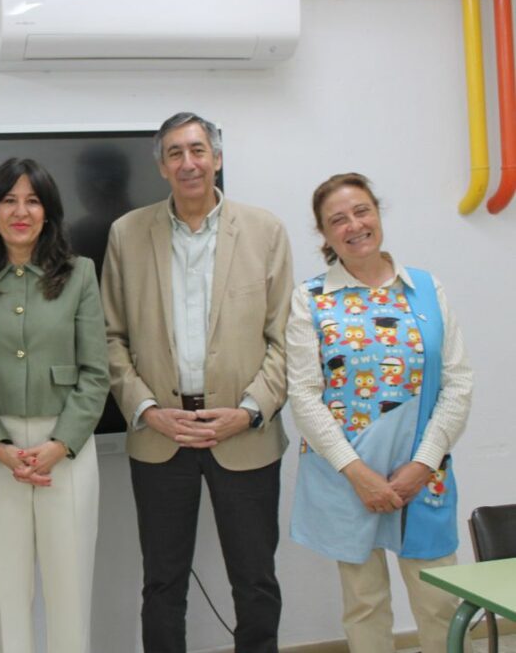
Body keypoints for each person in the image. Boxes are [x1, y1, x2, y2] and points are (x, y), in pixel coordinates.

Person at [101, 112, 293, 653]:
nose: (188, 163)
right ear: (161, 166)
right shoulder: (126, 233)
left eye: (198, 150)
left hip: (245, 434)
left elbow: (286, 341)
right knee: (162, 583)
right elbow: (110, 337)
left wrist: (250, 410)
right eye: (175, 154)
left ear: (218, 158)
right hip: (162, 435)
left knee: (255, 582)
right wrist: (147, 410)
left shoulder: (265, 231)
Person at [286, 173, 473, 653]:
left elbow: (457, 383)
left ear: (378, 213)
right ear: (324, 236)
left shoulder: (427, 290)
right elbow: (304, 394)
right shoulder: (311, 299)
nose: (354, 226)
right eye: (338, 220)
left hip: (423, 474)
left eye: (362, 211)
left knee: (438, 603)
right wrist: (358, 474)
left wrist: (422, 464)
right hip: (348, 476)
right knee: (364, 604)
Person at [0, 158, 109, 653]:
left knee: (70, 591)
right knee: (6, 591)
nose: (21, 211)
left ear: (49, 211)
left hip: (69, 451)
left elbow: (96, 373)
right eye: (9, 200)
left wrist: (61, 444)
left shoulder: (80, 274)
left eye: (33, 200)